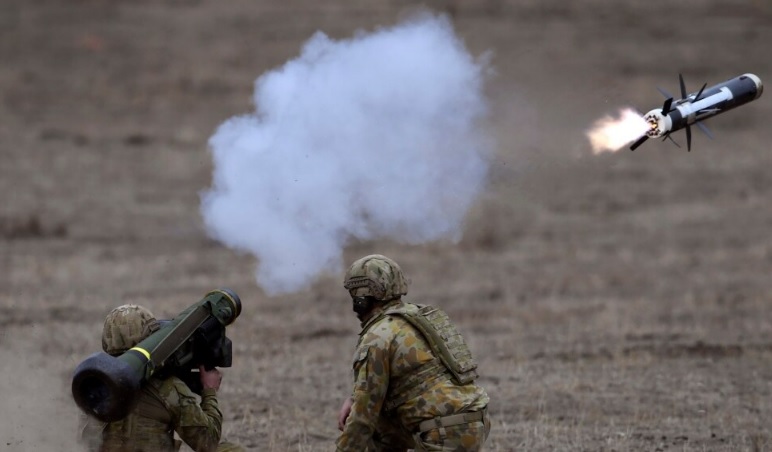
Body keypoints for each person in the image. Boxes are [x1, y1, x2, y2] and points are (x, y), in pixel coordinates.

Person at [336, 254, 491, 451]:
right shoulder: (418, 317)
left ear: (362, 299)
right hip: (474, 420)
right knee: (380, 425)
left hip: (445, 433)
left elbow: (362, 419)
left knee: (368, 428)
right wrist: (353, 398)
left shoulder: (377, 336)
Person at [78, 304, 243, 452]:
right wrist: (209, 392)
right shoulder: (168, 388)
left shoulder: (93, 385)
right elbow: (207, 442)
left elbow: (85, 441)